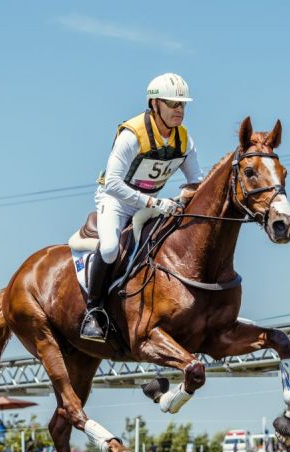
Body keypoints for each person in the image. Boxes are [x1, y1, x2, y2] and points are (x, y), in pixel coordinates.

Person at [81, 73, 204, 341]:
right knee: (111, 249)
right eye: (173, 104)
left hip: (152, 203)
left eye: (182, 104)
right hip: (116, 201)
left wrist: (184, 196)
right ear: (154, 104)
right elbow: (113, 183)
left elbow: (196, 180)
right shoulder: (132, 134)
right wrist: (153, 202)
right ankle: (93, 311)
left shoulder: (184, 139)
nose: (179, 110)